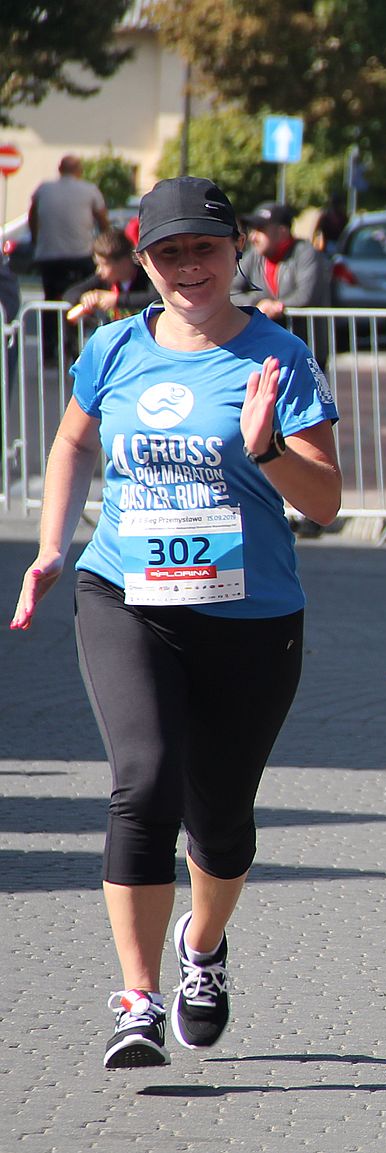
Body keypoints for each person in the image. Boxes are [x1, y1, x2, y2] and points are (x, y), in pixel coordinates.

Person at [9, 174, 342, 1070]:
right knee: (144, 785)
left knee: (221, 823)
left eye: (204, 247)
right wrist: (51, 544)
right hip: (125, 595)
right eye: (168, 251)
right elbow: (75, 440)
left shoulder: (279, 358)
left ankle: (202, 948)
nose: (188, 265)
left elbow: (328, 503)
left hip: (250, 614)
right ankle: (137, 995)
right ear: (141, 262)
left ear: (239, 254)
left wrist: (268, 446)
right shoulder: (115, 349)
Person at [232, 203, 333, 365]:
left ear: (282, 232)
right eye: (253, 230)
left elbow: (306, 295)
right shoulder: (254, 256)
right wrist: (258, 304)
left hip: (306, 349)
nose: (253, 237)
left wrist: (277, 306)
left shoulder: (306, 253)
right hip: (266, 350)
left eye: (261, 230)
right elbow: (231, 291)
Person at [29, 154, 111, 303]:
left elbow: (32, 217)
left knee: (51, 298)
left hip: (49, 256)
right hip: (81, 255)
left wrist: (36, 241)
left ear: (60, 169)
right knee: (84, 296)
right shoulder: (89, 190)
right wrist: (105, 245)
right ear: (79, 170)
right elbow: (103, 221)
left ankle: (51, 325)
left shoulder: (43, 189)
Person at [62, 229, 157, 332]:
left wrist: (116, 300)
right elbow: (70, 293)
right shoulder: (102, 278)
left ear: (123, 263)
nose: (98, 270)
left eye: (103, 264)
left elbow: (154, 298)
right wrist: (85, 298)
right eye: (97, 264)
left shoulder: (146, 275)